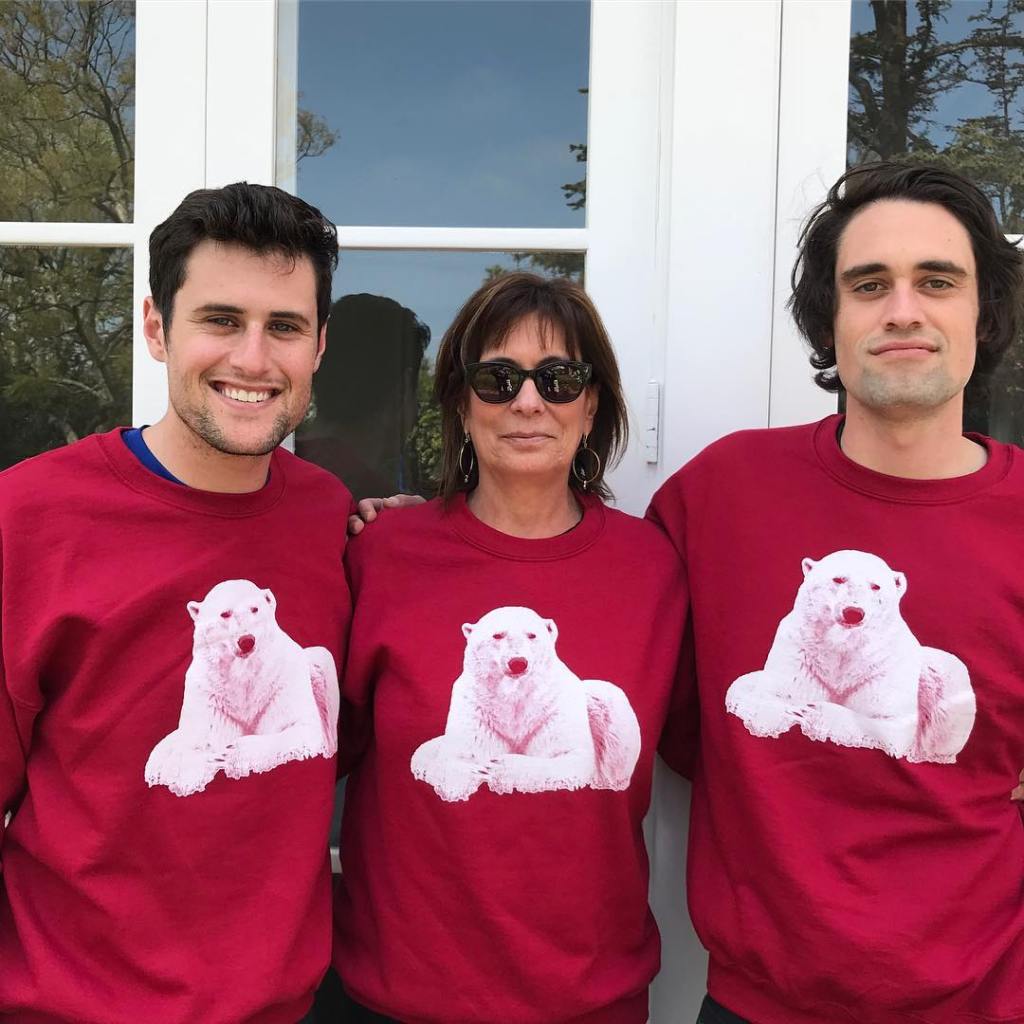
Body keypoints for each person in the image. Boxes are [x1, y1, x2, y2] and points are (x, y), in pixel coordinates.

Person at [649, 162, 1024, 1024]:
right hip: (757, 1002)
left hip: (985, 998)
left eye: (938, 281)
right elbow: (618, 642)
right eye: (869, 284)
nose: (904, 310)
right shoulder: (723, 494)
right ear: (830, 318)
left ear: (984, 312)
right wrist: (420, 529)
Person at [0, 183, 353, 1024]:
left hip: (283, 1006)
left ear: (319, 346)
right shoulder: (29, 520)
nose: (253, 359)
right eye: (221, 320)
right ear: (157, 328)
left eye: (284, 327)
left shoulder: (331, 520)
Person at [333, 272, 689, 1023]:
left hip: (591, 998)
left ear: (593, 404)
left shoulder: (655, 568)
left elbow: (708, 753)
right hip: (401, 997)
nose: (529, 402)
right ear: (461, 403)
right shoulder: (383, 555)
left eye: (559, 379)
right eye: (498, 379)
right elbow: (319, 762)